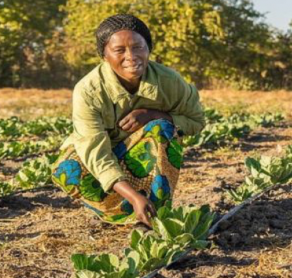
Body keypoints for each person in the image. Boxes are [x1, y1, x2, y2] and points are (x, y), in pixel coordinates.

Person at [51, 14, 205, 227]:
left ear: (148, 49)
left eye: (138, 47)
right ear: (104, 55)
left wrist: (153, 115)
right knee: (66, 171)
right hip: (103, 157)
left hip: (137, 154)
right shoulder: (88, 90)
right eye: (119, 50)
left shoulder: (169, 81)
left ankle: (155, 216)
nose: (131, 56)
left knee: (162, 128)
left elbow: (196, 121)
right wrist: (133, 196)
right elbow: (96, 153)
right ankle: (124, 212)